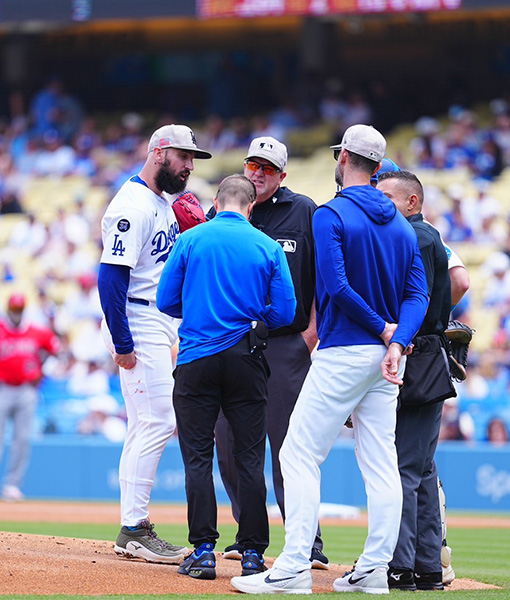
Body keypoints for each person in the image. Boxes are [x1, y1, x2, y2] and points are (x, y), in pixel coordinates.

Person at [232, 124, 428, 594]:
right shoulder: (402, 225)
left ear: (342, 159)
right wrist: (397, 341)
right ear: (379, 169)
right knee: (381, 463)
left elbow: (336, 286)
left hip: (345, 349)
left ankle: (294, 567)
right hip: (386, 357)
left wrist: (383, 331)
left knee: (297, 453)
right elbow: (417, 294)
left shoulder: (330, 214)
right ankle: (375, 570)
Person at [157, 174, 296, 581]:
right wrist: (254, 320)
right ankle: (252, 553)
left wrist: (202, 309)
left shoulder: (192, 239)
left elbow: (166, 300)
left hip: (197, 357)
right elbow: (286, 313)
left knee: (197, 459)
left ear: (216, 201)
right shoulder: (267, 246)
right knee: (250, 458)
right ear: (251, 207)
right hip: (246, 358)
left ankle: (202, 551)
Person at [212, 136, 328, 569]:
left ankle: (309, 543)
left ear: (282, 175)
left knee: (289, 445)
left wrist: (311, 332)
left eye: (266, 168)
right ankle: (249, 538)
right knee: (230, 444)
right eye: (251, 165)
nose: (256, 173)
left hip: (284, 344)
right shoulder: (226, 208)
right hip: (231, 341)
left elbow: (324, 276)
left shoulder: (304, 210)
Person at [98, 124, 211, 564]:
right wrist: (123, 340)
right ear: (158, 152)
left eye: (192, 158)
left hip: (159, 316)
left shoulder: (161, 202)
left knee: (145, 422)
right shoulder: (132, 204)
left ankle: (133, 526)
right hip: (138, 314)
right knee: (160, 420)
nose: (188, 166)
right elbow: (111, 276)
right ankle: (135, 528)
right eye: (183, 156)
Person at [375, 169, 453, 592]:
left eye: (389, 197)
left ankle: (399, 565)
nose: (381, 203)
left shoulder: (416, 238)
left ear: (412, 203)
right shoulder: (427, 237)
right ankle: (427, 568)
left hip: (414, 354)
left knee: (404, 467)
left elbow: (413, 302)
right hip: (427, 355)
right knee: (421, 469)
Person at [0, 294, 60, 501]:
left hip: (26, 389)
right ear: (8, 309)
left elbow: (56, 350)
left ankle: (12, 485)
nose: (16, 313)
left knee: (22, 438)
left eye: (19, 310)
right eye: (13, 310)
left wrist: (41, 372)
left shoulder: (36, 331)